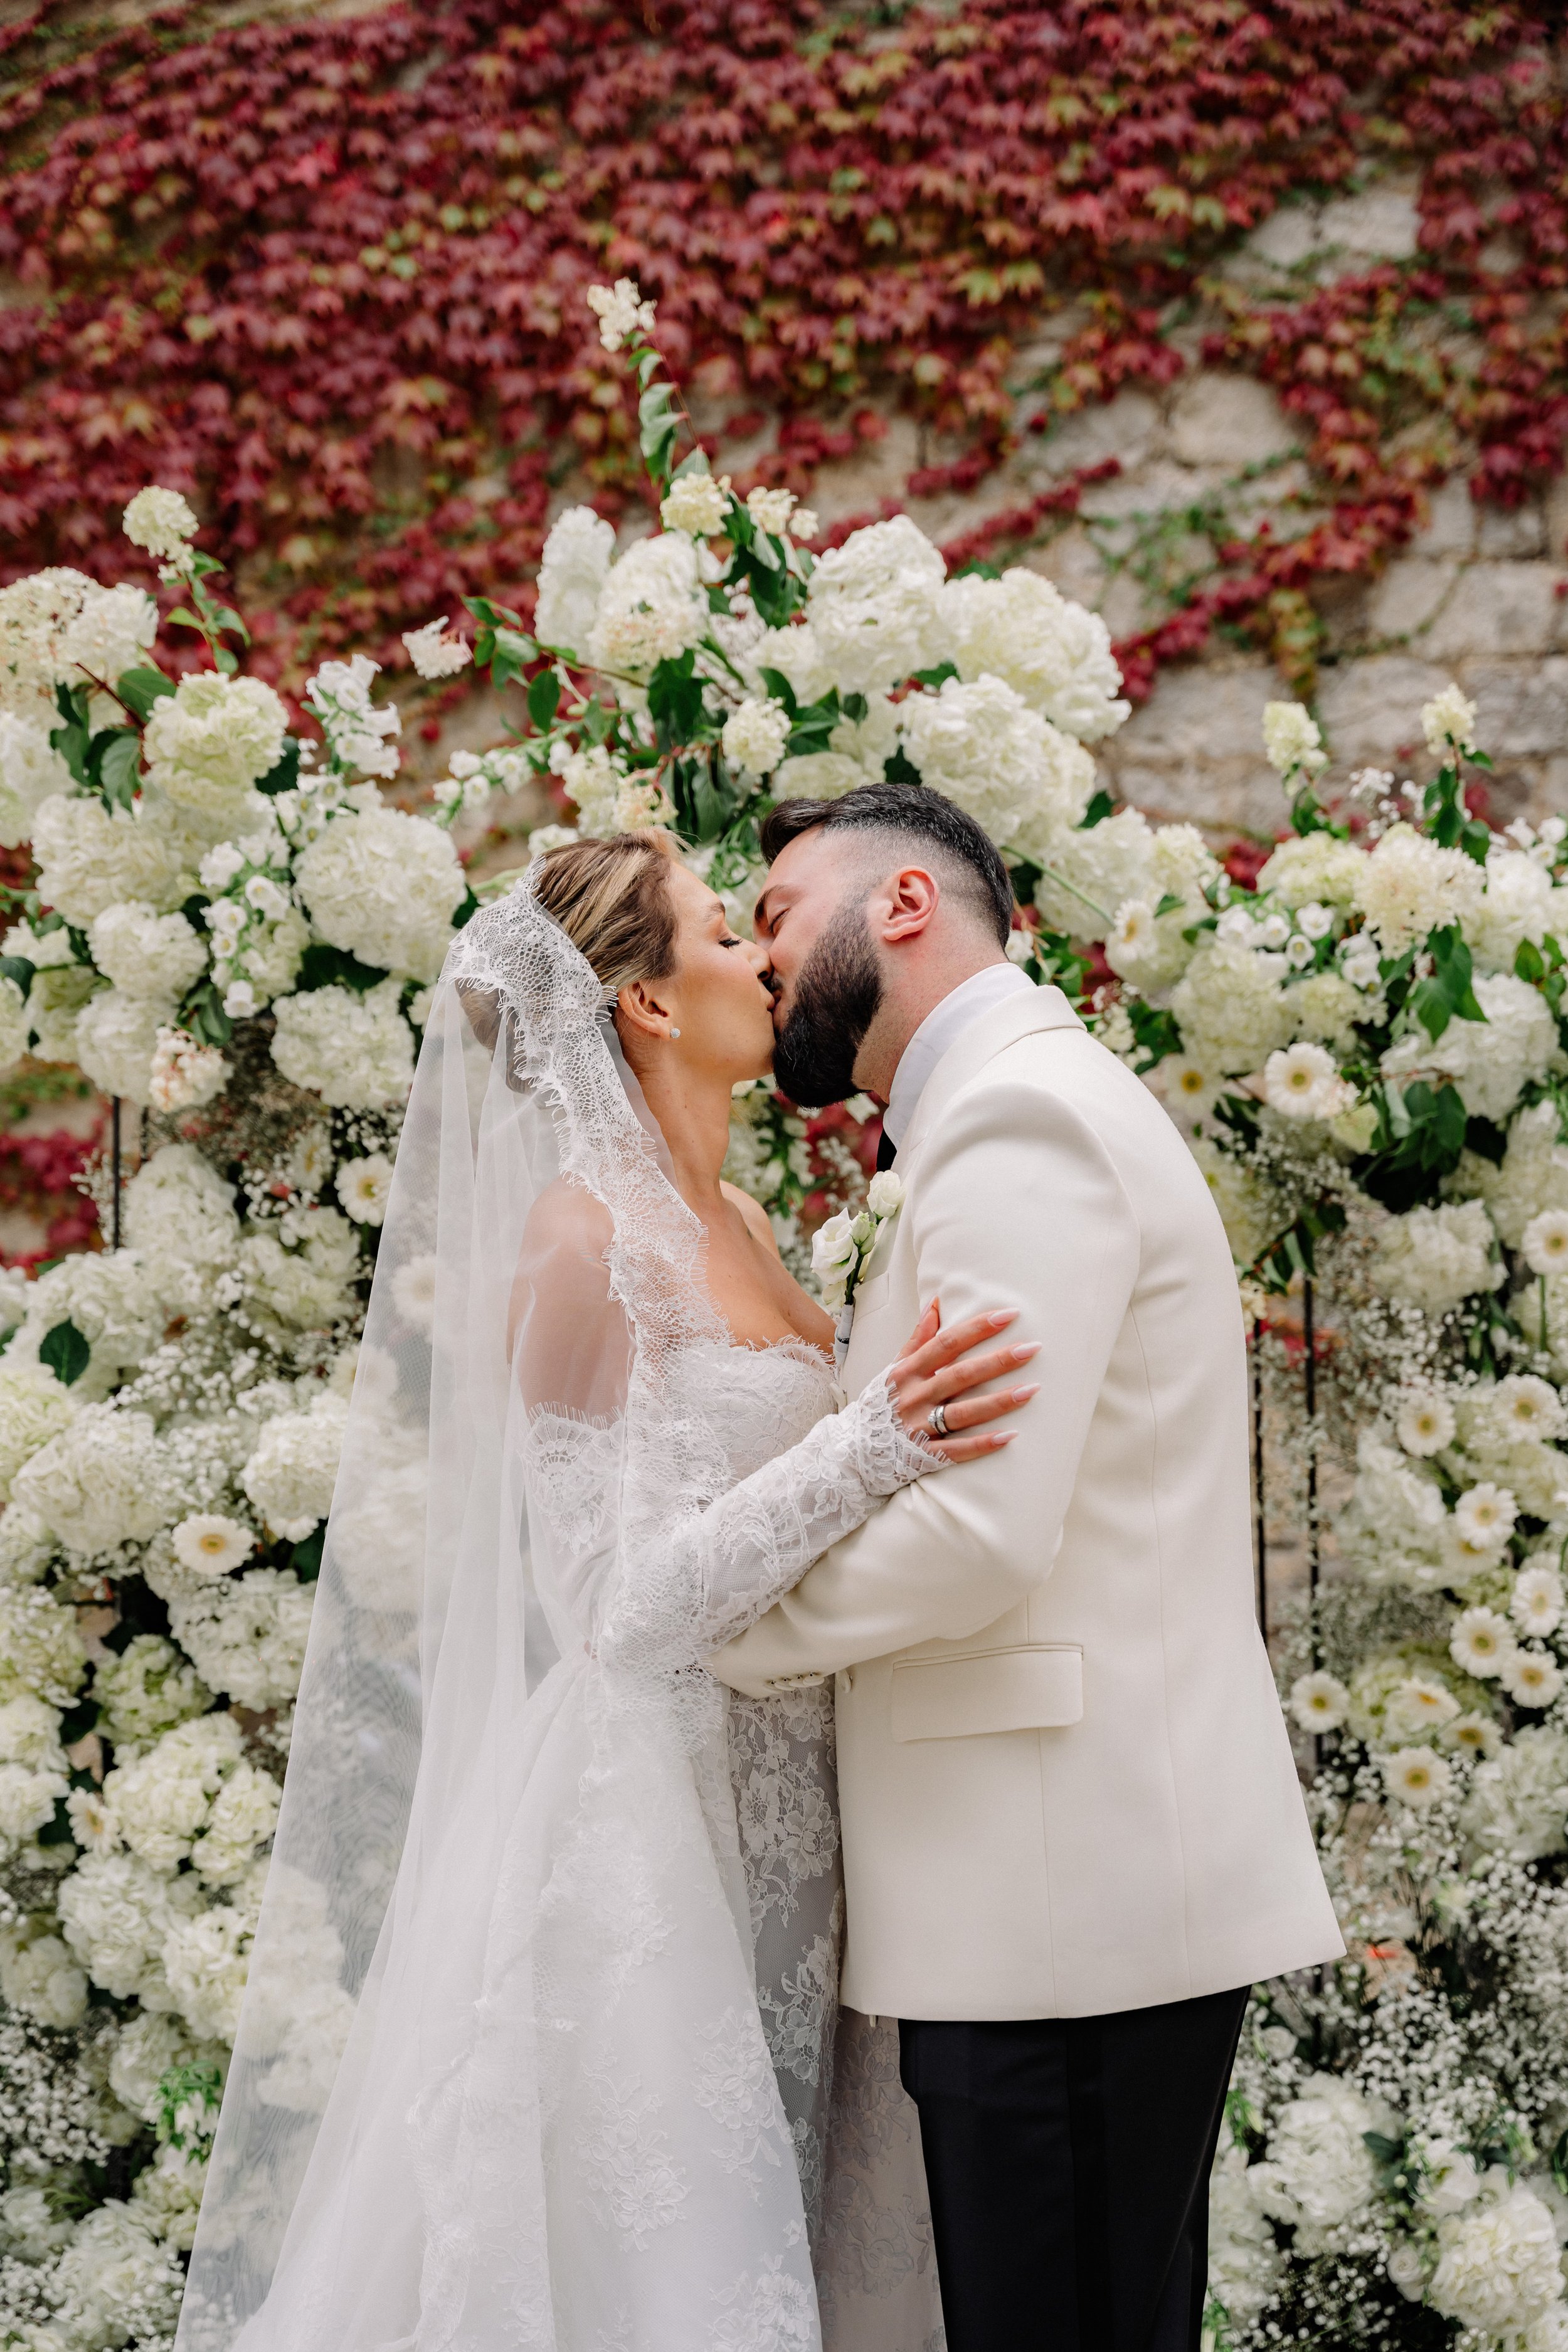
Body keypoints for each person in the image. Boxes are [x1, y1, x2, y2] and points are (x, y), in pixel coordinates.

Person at [178, 829, 1030, 2351]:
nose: (768, 959)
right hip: (647, 1823)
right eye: (726, 933)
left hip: (789, 1796)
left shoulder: (748, 1226)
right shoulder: (576, 1245)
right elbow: (615, 1605)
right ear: (644, 1003)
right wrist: (873, 1444)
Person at [707, 779, 1345, 2352]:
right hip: (1058, 1892)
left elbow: (983, 1533)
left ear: (904, 906)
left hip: (1058, 1893)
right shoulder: (1000, 1108)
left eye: (779, 912)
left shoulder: (1015, 1114)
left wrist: (731, 1625)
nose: (759, 952)